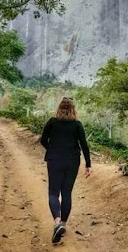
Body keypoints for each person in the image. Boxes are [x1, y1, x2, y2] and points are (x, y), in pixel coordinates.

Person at [40, 97, 92, 244]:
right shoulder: (77, 125)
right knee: (67, 193)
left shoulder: (52, 122)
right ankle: (62, 224)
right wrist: (88, 164)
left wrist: (52, 150)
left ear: (59, 108)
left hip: (54, 160)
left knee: (53, 193)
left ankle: (57, 222)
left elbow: (43, 140)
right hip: (72, 161)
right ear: (73, 109)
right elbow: (84, 145)